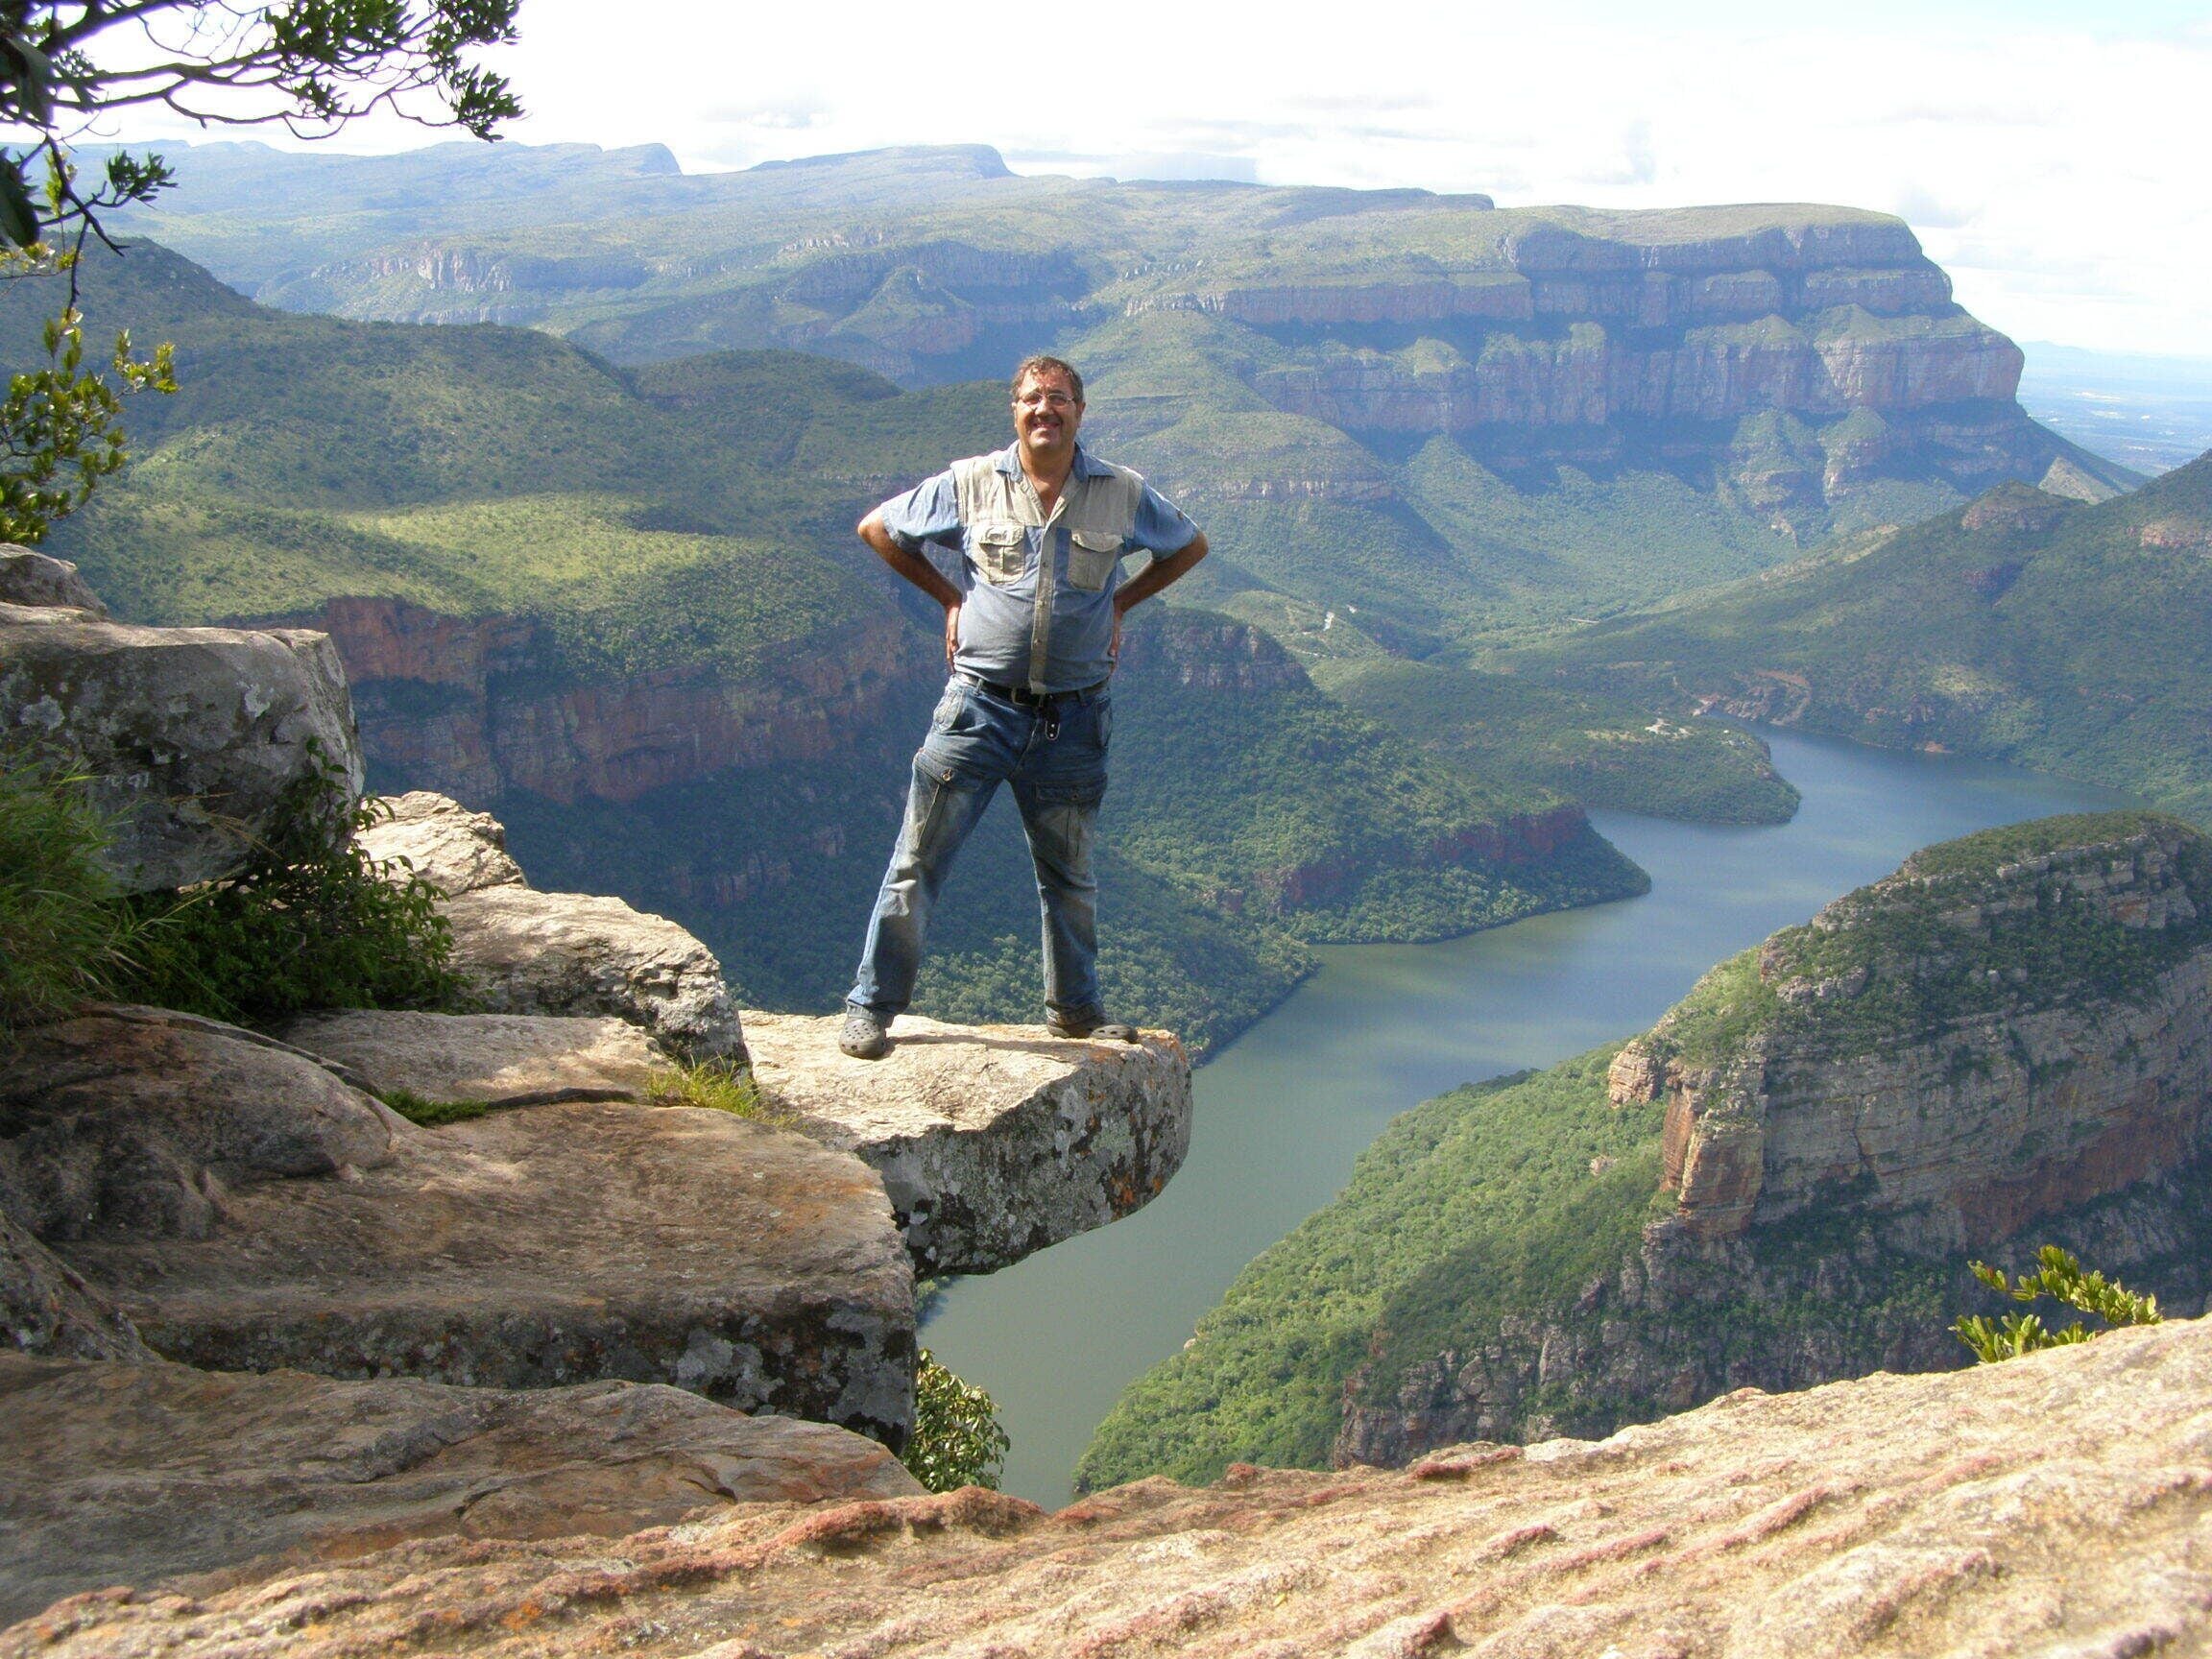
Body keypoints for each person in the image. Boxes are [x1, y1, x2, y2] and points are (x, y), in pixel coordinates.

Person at [838, 353, 1209, 1060]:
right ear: (1015, 410)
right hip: (978, 708)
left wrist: (1118, 605)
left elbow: (1189, 547)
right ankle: (871, 1006)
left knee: (1069, 876)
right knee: (917, 862)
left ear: (1080, 411)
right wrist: (950, 598)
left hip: (1073, 718)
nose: (1047, 410)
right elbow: (879, 529)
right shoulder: (973, 482)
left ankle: (1074, 1011)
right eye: (1034, 399)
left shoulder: (1122, 492)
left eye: (1060, 399)